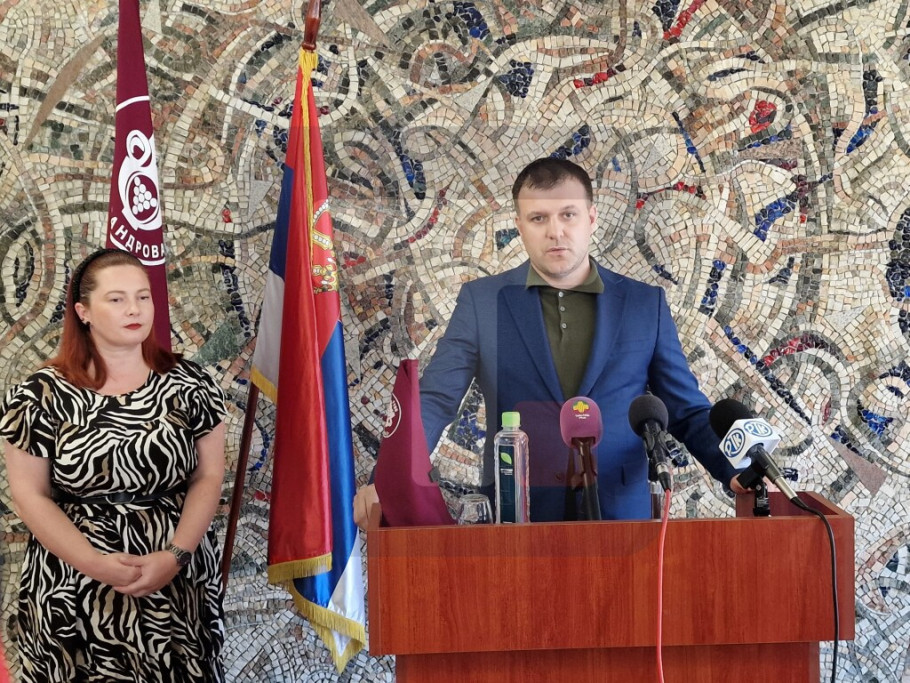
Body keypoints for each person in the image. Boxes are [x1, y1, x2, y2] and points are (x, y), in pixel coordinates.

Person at [354, 157, 746, 526]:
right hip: (516, 512)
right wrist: (386, 481)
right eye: (538, 218)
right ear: (519, 225)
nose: (555, 231)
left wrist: (736, 470)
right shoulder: (482, 301)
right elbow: (436, 399)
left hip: (622, 515)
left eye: (568, 215)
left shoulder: (645, 304)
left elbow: (685, 409)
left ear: (591, 218)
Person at [0, 248, 226, 682]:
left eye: (143, 297)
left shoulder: (191, 383)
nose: (134, 309)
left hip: (176, 578)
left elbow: (208, 475)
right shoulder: (39, 394)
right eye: (117, 299)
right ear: (83, 311)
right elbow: (29, 495)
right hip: (73, 584)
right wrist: (94, 563)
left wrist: (176, 555)